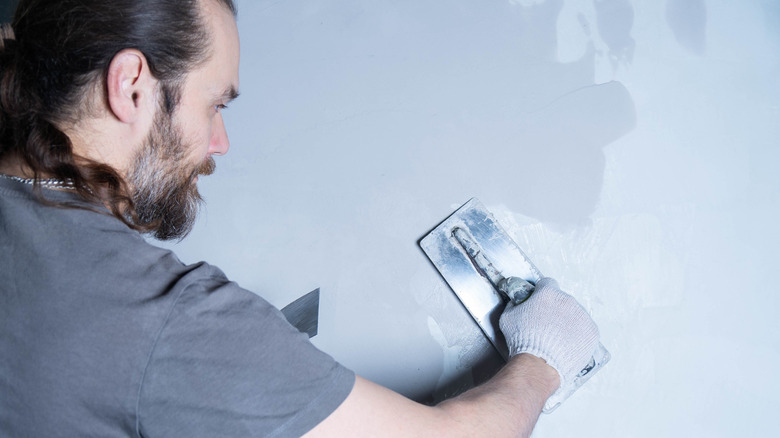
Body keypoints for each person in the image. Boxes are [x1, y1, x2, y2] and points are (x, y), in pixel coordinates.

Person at [0, 0, 602, 436]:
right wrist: (542, 361)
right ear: (133, 85)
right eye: (215, 105)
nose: (220, 141)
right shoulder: (161, 321)